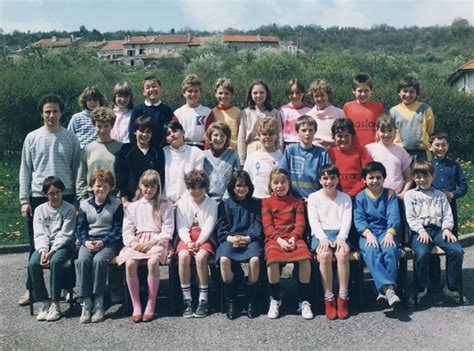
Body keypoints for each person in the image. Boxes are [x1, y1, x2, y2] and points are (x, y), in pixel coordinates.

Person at [19, 95, 80, 306]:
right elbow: (25, 170)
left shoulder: (71, 137)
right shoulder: (32, 137)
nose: (51, 115)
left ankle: (67, 288)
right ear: (42, 113)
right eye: (47, 111)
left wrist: (77, 199)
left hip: (67, 196)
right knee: (36, 246)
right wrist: (24, 201)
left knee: (67, 245)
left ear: (61, 113)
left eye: (55, 111)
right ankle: (33, 289)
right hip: (39, 198)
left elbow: (77, 169)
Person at [404, 160, 464, 305]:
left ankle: (451, 287)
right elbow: (410, 217)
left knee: (457, 251)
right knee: (422, 253)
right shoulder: (410, 195)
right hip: (420, 231)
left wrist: (446, 229)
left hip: (438, 230)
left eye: (426, 176)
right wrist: (420, 231)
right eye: (418, 177)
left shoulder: (440, 195)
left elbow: (447, 215)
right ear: (413, 178)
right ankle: (421, 287)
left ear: (433, 176)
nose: (422, 180)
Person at [118, 170, 174, 322]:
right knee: (129, 263)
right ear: (140, 186)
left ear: (158, 187)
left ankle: (151, 301)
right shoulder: (132, 206)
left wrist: (153, 241)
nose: (148, 190)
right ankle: (137, 305)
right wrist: (134, 243)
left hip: (157, 241)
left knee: (153, 262)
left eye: (152, 186)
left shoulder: (164, 205)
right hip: (138, 241)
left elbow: (168, 230)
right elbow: (127, 231)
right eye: (145, 186)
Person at [262, 169, 313, 320]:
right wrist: (280, 240)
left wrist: (293, 238)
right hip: (274, 239)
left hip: (294, 238)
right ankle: (275, 298)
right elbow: (268, 226)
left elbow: (300, 224)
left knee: (305, 258)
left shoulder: (297, 202)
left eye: (283, 182)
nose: (280, 185)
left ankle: (304, 300)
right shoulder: (266, 202)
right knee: (272, 260)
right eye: (275, 182)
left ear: (289, 184)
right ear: (271, 185)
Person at [76, 169, 123, 323]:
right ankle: (87, 301)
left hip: (107, 242)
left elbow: (118, 230)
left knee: (99, 261)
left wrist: (104, 242)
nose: (101, 189)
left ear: (110, 188)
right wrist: (85, 242)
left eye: (104, 186)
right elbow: (80, 228)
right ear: (91, 187)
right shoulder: (84, 205)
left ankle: (99, 301)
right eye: (97, 186)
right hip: (89, 240)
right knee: (82, 260)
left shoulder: (116, 205)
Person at [215, 170, 263, 319]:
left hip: (250, 239)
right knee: (224, 260)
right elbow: (221, 225)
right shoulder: (225, 204)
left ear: (249, 186)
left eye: (244, 185)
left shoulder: (256, 203)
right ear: (232, 187)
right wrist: (230, 238)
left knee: (255, 260)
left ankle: (251, 300)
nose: (241, 188)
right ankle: (231, 300)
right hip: (230, 239)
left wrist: (248, 238)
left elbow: (258, 224)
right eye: (238, 185)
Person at [28, 176, 76, 321]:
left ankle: (56, 303)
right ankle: (44, 302)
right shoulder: (40, 210)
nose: (55, 196)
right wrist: (43, 251)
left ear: (62, 192)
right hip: (45, 245)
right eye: (51, 193)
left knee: (55, 262)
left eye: (58, 192)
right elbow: (39, 232)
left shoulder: (69, 209)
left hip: (62, 245)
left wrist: (51, 251)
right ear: (45, 195)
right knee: (33, 263)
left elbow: (66, 234)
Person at [353, 162, 401, 307]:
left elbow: (393, 215)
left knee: (390, 250)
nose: (375, 181)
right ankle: (389, 289)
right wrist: (368, 234)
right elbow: (359, 219)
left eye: (378, 177)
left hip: (386, 231)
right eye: (371, 178)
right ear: (364, 180)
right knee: (372, 251)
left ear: (384, 178)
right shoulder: (360, 197)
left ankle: (381, 289)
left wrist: (390, 233)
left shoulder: (390, 194)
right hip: (368, 233)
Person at [307, 164, 352, 320]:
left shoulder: (345, 198)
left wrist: (341, 237)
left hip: (340, 233)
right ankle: (329, 297)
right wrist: (322, 237)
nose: (329, 181)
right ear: (320, 180)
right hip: (321, 234)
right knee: (325, 255)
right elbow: (314, 221)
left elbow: (347, 220)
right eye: (325, 178)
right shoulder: (314, 198)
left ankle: (343, 297)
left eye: (332, 178)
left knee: (342, 253)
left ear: (338, 179)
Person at [175, 170, 218, 318]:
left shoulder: (212, 204)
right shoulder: (181, 204)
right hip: (186, 238)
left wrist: (198, 243)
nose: (197, 191)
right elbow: (181, 226)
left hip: (204, 238)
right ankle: (186, 299)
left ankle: (203, 299)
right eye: (193, 187)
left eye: (200, 187)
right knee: (183, 256)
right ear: (188, 188)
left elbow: (209, 226)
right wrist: (187, 242)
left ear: (205, 187)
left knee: (200, 258)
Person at [429, 133, 468, 290]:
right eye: (437, 145)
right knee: (432, 248)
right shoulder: (427, 166)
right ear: (431, 146)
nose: (440, 148)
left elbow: (464, 186)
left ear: (448, 146)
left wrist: (453, 194)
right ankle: (433, 282)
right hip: (430, 211)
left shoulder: (454, 165)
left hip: (450, 211)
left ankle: (452, 284)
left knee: (452, 246)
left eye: (443, 145)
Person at [117, 116, 165, 209]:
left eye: (148, 132)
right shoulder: (126, 150)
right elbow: (121, 176)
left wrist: (157, 200)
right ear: (135, 131)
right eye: (141, 131)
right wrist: (125, 200)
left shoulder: (158, 152)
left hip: (151, 199)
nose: (144, 135)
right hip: (130, 199)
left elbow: (160, 177)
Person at [279, 115, 331, 200]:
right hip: (293, 200)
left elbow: (327, 178)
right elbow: (282, 173)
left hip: (315, 199)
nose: (307, 133)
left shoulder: (322, 153)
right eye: (303, 130)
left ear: (315, 132)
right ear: (297, 132)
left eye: (311, 130)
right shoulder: (291, 150)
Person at [76, 107, 122, 201]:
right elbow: (81, 176)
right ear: (94, 126)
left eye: (106, 126)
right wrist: (82, 199)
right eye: (99, 126)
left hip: (113, 196)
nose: (102, 130)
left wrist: (119, 197)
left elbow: (124, 176)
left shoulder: (120, 147)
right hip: (91, 196)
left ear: (111, 126)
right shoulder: (88, 148)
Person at [365, 115, 412, 199]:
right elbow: (364, 175)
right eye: (383, 131)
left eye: (390, 131)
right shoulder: (369, 149)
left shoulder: (401, 151)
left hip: (396, 197)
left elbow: (408, 177)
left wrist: (404, 193)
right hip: (374, 197)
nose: (386, 134)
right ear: (377, 131)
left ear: (395, 131)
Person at [237, 79, 283, 165]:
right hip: (252, 147)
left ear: (266, 94)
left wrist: (279, 152)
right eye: (255, 93)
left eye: (262, 92)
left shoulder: (274, 112)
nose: (258, 95)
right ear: (250, 95)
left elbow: (279, 135)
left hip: (271, 148)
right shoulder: (245, 113)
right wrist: (242, 160)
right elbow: (241, 137)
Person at [389, 75, 435, 161]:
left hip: (422, 154)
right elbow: (391, 133)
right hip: (400, 152)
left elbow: (429, 131)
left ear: (416, 93)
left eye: (411, 92)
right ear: (399, 92)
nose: (408, 95)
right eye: (405, 91)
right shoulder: (393, 111)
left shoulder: (425, 109)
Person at [162, 120, 205, 207]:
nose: (172, 135)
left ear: (183, 132)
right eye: (168, 134)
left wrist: (182, 201)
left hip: (189, 202)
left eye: (175, 131)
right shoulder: (163, 152)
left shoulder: (195, 152)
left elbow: (197, 180)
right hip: (164, 203)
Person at [327, 118, 372, 197]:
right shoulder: (329, 153)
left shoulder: (361, 151)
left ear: (352, 136)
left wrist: (353, 192)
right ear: (333, 137)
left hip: (358, 195)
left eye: (347, 135)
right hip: (335, 195)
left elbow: (368, 174)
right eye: (340, 136)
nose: (343, 139)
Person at [129, 75, 173, 149]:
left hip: (160, 151)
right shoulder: (137, 109)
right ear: (143, 92)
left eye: (154, 86)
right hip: (139, 149)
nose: (151, 89)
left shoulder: (167, 110)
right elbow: (132, 131)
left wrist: (159, 150)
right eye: (148, 87)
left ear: (161, 88)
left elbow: (168, 133)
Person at [243, 117, 283, 199]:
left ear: (277, 135)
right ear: (258, 136)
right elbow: (246, 180)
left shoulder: (281, 157)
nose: (267, 137)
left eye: (271, 134)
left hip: (275, 200)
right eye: (264, 134)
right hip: (256, 199)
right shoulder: (252, 157)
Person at [173, 74, 215, 149]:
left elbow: (210, 135)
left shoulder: (207, 112)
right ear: (184, 93)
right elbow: (175, 135)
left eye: (196, 91)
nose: (193, 94)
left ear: (201, 93)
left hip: (202, 148)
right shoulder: (177, 113)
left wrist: (206, 151)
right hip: (183, 148)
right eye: (190, 91)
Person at [343, 73, 384, 147]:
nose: (363, 94)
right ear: (353, 91)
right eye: (360, 91)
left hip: (374, 147)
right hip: (354, 147)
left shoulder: (378, 106)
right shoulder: (347, 107)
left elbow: (382, 127)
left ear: (371, 91)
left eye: (366, 91)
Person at [203, 121, 240, 202]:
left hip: (228, 200)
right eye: (215, 135)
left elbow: (236, 178)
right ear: (210, 137)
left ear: (227, 138)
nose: (219, 138)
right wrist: (207, 199)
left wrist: (226, 198)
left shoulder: (233, 154)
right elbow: (200, 180)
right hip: (206, 201)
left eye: (222, 135)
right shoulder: (203, 156)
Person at [306, 79, 345, 148]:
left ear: (328, 95)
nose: (320, 98)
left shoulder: (339, 113)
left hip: (334, 151)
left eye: (322, 95)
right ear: (312, 97)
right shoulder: (308, 115)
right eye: (316, 96)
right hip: (315, 152)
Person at [280, 79, 312, 146]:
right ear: (288, 94)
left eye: (298, 92)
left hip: (305, 145)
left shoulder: (309, 110)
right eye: (291, 93)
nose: (295, 96)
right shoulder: (282, 110)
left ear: (303, 93)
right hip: (286, 146)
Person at [212, 78, 241, 150]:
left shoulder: (238, 112)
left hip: (233, 150)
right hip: (217, 149)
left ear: (231, 95)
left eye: (226, 93)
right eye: (220, 93)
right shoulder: (212, 112)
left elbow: (240, 134)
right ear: (215, 94)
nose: (223, 96)